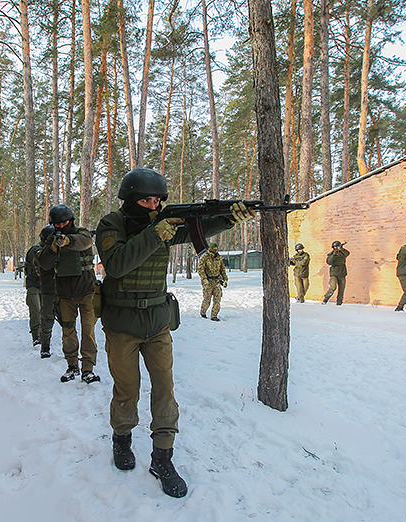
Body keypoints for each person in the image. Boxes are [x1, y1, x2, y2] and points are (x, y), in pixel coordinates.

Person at [95, 168, 254, 498]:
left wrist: (229, 218)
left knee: (165, 389)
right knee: (127, 388)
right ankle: (122, 440)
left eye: (158, 200)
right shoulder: (112, 225)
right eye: (146, 200)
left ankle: (162, 457)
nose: (154, 206)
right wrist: (156, 233)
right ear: (129, 199)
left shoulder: (163, 226)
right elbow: (117, 265)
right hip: (122, 323)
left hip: (157, 322)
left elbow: (198, 228)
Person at [36, 204, 100, 384]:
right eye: (57, 225)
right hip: (65, 294)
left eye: (64, 223)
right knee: (68, 332)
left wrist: (68, 242)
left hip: (87, 292)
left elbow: (85, 242)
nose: (61, 227)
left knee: (88, 332)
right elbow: (44, 263)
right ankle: (72, 365)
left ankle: (88, 368)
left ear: (70, 221)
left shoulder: (82, 233)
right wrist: (53, 249)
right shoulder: (51, 240)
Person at [34, 225, 58, 358]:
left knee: (68, 324)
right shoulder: (40, 253)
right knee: (47, 321)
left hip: (62, 291)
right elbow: (41, 266)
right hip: (48, 291)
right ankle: (45, 347)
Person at [198, 242, 228, 321]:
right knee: (207, 299)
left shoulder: (218, 257)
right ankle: (203, 311)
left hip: (217, 281)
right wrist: (204, 279)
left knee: (217, 299)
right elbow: (201, 270)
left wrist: (225, 279)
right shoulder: (204, 257)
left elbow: (222, 269)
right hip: (208, 281)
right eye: (214, 249)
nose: (215, 250)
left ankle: (214, 315)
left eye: (216, 248)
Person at [23, 239, 43, 346]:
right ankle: (36, 336)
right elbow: (40, 259)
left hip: (46, 286)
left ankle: (43, 336)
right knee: (36, 310)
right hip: (34, 286)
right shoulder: (36, 250)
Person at [322, 241, 350, 305]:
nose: (336, 248)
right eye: (335, 247)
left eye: (337, 246)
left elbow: (347, 253)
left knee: (341, 289)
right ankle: (326, 299)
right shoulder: (331, 254)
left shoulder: (343, 253)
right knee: (333, 287)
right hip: (334, 273)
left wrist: (341, 249)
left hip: (342, 273)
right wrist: (334, 254)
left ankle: (339, 303)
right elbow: (329, 262)